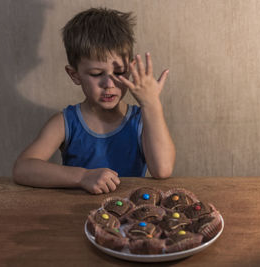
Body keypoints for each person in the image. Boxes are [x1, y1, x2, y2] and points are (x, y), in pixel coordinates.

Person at [13, 7, 175, 194]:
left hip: (130, 219)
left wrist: (151, 103)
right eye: (97, 74)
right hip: (78, 216)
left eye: (119, 72)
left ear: (130, 71)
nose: (109, 83)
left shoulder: (141, 119)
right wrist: (82, 177)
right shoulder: (65, 122)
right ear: (75, 75)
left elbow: (162, 170)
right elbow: (23, 168)